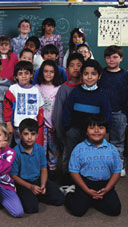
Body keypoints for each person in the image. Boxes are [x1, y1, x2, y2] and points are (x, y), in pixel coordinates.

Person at [65, 115, 121, 217]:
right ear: (86, 132)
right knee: (78, 211)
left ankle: (93, 200)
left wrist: (107, 189)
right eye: (92, 128)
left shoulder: (112, 149)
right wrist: (87, 190)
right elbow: (73, 171)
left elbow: (117, 171)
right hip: (85, 183)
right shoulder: (79, 148)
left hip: (105, 184)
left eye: (100, 128)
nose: (96, 131)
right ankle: (69, 194)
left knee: (115, 210)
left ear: (106, 131)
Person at [63, 59, 112, 172]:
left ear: (99, 76)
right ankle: (69, 180)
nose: (89, 77)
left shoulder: (102, 94)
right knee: (72, 154)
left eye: (93, 74)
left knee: (91, 155)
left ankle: (88, 179)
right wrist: (67, 127)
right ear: (81, 75)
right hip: (74, 130)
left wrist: (105, 131)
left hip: (94, 132)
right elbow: (67, 110)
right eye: (86, 73)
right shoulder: (75, 92)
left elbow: (107, 114)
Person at [11, 119, 65, 213]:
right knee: (32, 209)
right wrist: (30, 187)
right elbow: (13, 176)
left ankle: (37, 194)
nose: (29, 137)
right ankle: (30, 196)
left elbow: (43, 168)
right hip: (24, 183)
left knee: (60, 199)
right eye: (26, 134)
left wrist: (43, 185)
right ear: (20, 134)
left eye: (32, 134)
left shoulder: (39, 149)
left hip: (38, 180)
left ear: (37, 135)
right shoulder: (15, 152)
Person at [98, 45, 128, 176]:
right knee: (100, 139)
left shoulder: (125, 75)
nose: (111, 60)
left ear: (121, 58)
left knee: (117, 141)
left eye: (115, 57)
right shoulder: (101, 74)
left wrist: (124, 111)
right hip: (102, 113)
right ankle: (102, 163)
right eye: (108, 57)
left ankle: (118, 164)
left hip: (119, 113)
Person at [53, 53, 84, 175]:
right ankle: (67, 179)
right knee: (69, 154)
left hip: (85, 129)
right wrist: (61, 132)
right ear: (67, 70)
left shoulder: (87, 86)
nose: (76, 68)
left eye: (79, 65)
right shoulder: (64, 88)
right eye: (72, 65)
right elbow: (58, 112)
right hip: (69, 130)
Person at [3, 61, 44, 146]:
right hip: (18, 127)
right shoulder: (13, 89)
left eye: (26, 73)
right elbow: (7, 108)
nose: (23, 76)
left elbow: (40, 110)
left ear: (31, 75)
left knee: (32, 149)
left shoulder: (36, 90)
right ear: (16, 76)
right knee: (20, 148)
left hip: (33, 127)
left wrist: (39, 127)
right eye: (20, 73)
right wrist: (8, 124)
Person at [35, 60, 62, 178]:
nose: (48, 74)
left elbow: (60, 107)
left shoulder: (59, 88)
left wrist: (56, 124)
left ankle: (52, 173)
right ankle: (41, 172)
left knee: (53, 149)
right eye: (46, 71)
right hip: (40, 125)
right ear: (41, 72)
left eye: (51, 71)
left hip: (53, 124)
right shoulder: (36, 87)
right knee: (41, 148)